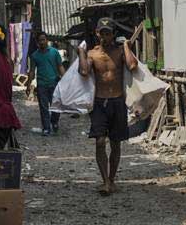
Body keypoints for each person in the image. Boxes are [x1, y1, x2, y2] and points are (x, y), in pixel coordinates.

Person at [78, 17, 138, 195]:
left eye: (108, 33)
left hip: (117, 101)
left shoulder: (120, 52)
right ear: (97, 34)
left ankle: (112, 180)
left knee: (116, 143)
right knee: (99, 141)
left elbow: (132, 65)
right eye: (102, 33)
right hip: (99, 102)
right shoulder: (92, 54)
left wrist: (126, 46)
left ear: (113, 34)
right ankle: (105, 181)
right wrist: (81, 52)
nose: (105, 36)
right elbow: (83, 71)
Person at [27, 31, 66, 136]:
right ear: (37, 42)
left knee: (56, 106)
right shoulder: (34, 56)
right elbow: (31, 71)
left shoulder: (54, 52)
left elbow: (60, 66)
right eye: (40, 40)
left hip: (54, 83)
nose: (42, 42)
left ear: (47, 40)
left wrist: (65, 79)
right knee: (43, 107)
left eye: (44, 39)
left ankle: (54, 122)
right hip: (41, 85)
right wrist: (28, 84)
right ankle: (46, 128)